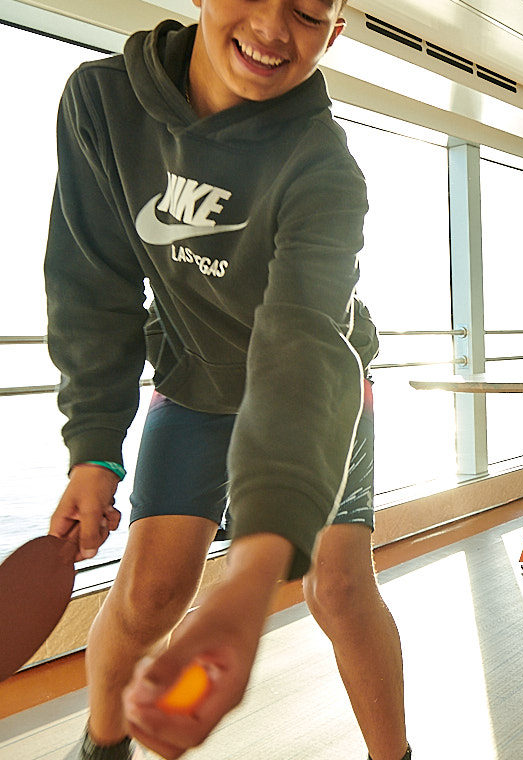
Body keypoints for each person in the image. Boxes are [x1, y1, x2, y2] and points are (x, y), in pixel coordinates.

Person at [44, 1, 409, 758]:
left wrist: (247, 587)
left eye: (309, 11)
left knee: (338, 587)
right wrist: (93, 449)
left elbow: (303, 346)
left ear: (334, 31)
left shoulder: (324, 168)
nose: (275, 29)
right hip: (194, 382)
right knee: (148, 594)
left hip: (316, 393)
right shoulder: (101, 104)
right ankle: (102, 747)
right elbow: (93, 285)